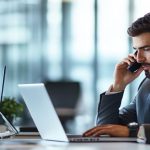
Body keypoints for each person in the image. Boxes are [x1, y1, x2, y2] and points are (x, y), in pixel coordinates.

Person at [83, 13, 150, 137]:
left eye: (147, 49)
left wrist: (132, 132)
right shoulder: (146, 86)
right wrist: (118, 86)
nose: (139, 59)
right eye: (137, 50)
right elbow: (105, 128)